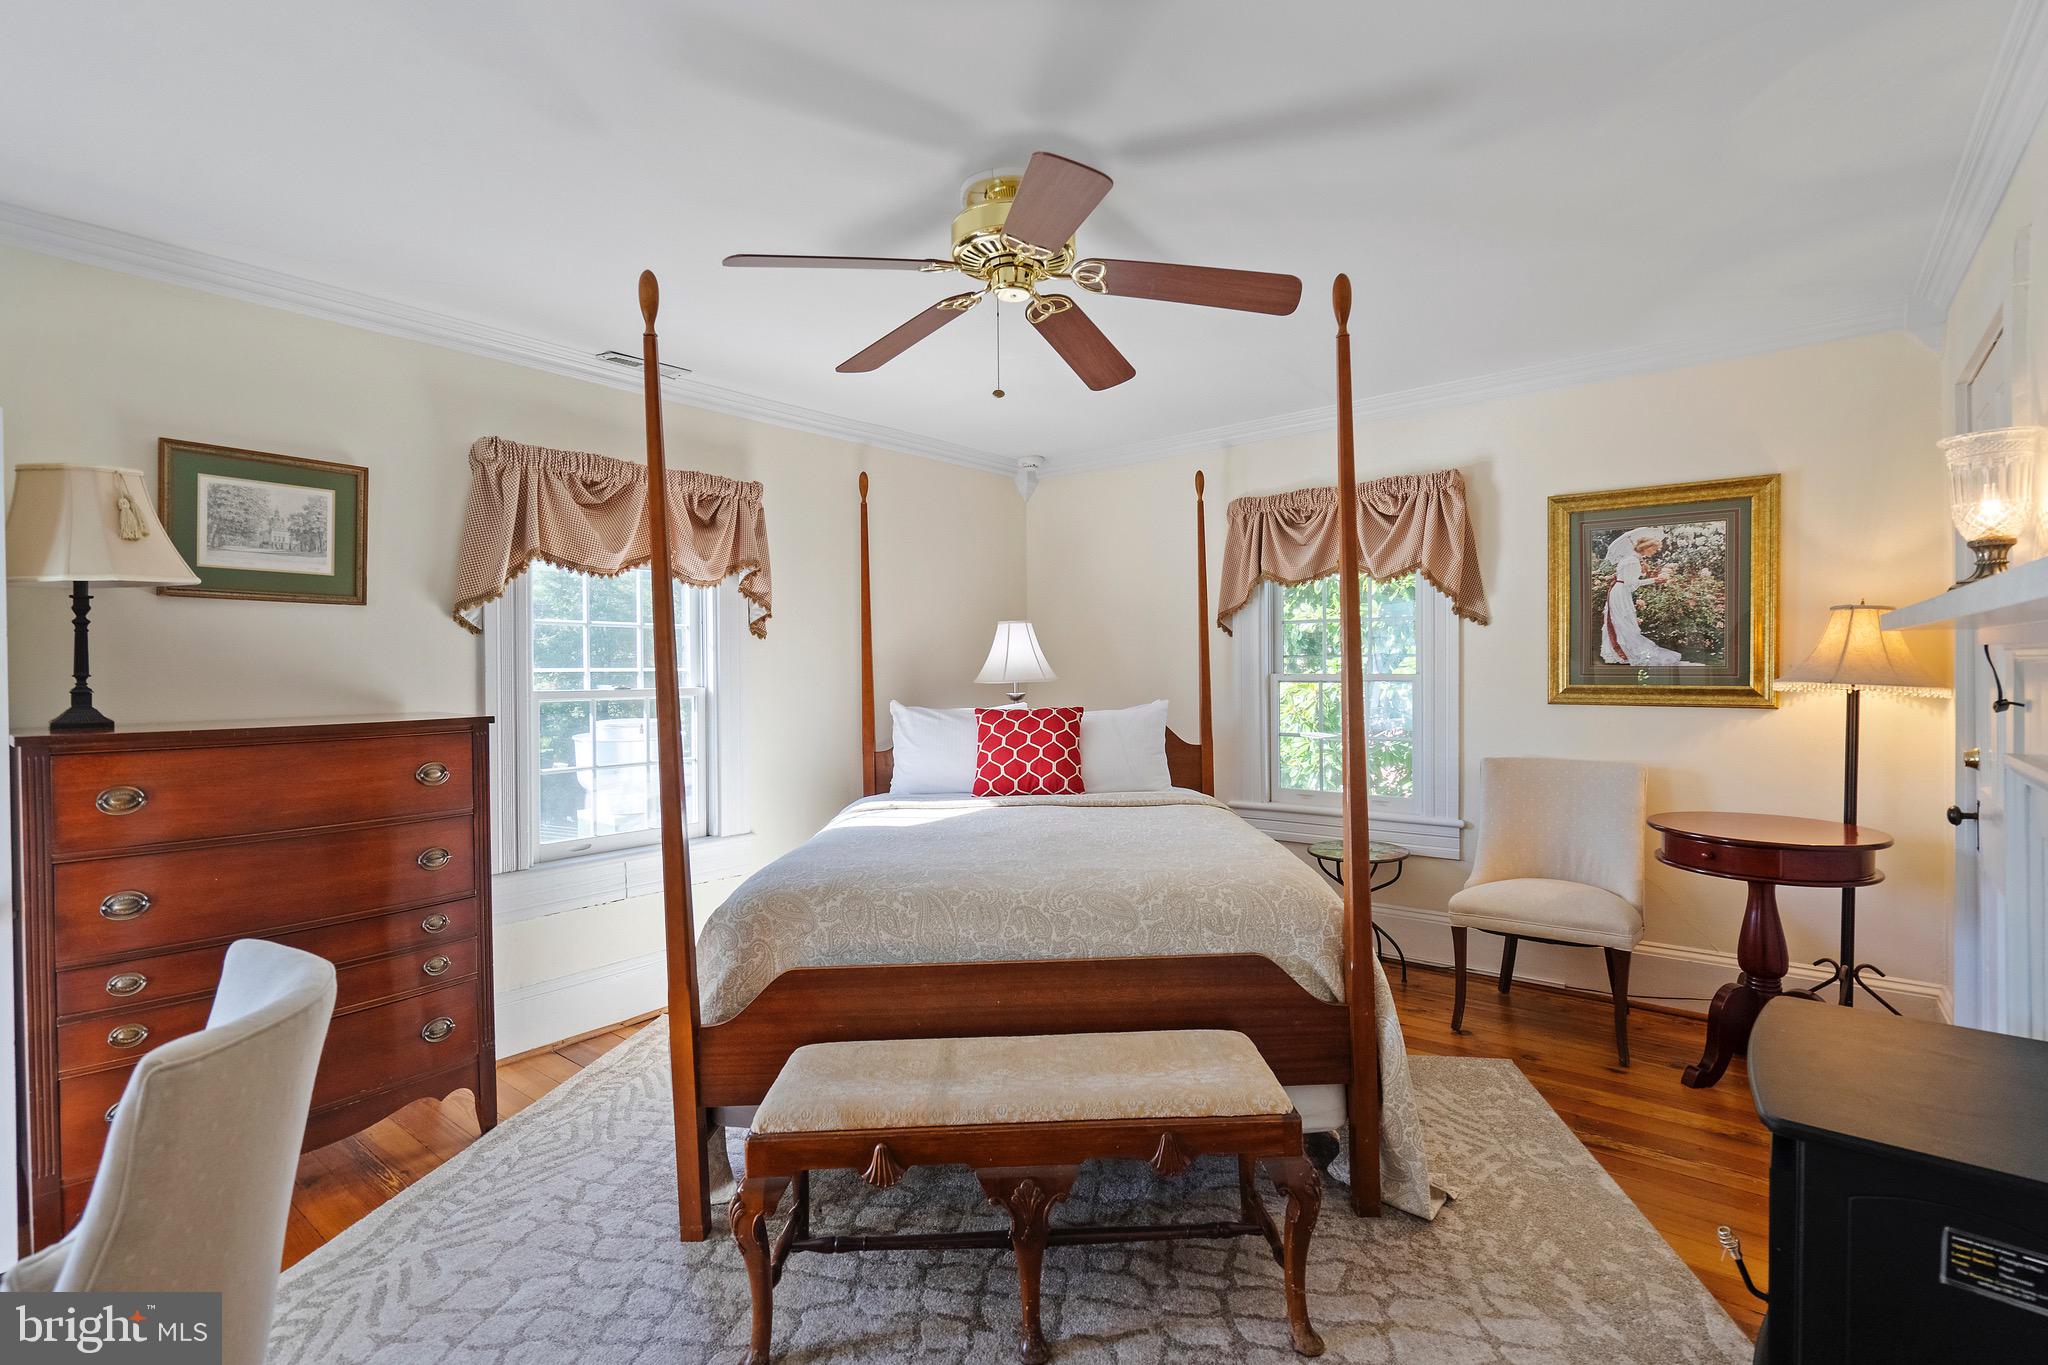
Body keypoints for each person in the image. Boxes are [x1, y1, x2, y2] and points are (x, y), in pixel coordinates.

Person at [1599, 527, 1687, 666]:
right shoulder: (1632, 561)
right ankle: (1626, 653)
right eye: (1653, 549)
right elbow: (1631, 583)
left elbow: (1628, 582)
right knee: (1623, 622)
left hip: (1620, 591)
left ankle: (1622, 653)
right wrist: (1655, 580)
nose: (1655, 551)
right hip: (1621, 592)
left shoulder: (1632, 559)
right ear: (1646, 547)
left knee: (1623, 621)